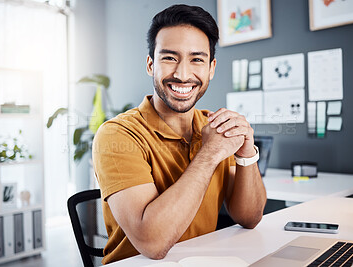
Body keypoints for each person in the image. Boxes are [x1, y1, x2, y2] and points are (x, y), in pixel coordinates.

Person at [92, 4, 267, 264]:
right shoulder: (117, 135)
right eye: (170, 58)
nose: (183, 74)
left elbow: (249, 217)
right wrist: (208, 155)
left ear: (211, 68)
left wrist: (246, 154)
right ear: (151, 64)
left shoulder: (214, 127)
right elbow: (152, 244)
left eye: (197, 59)